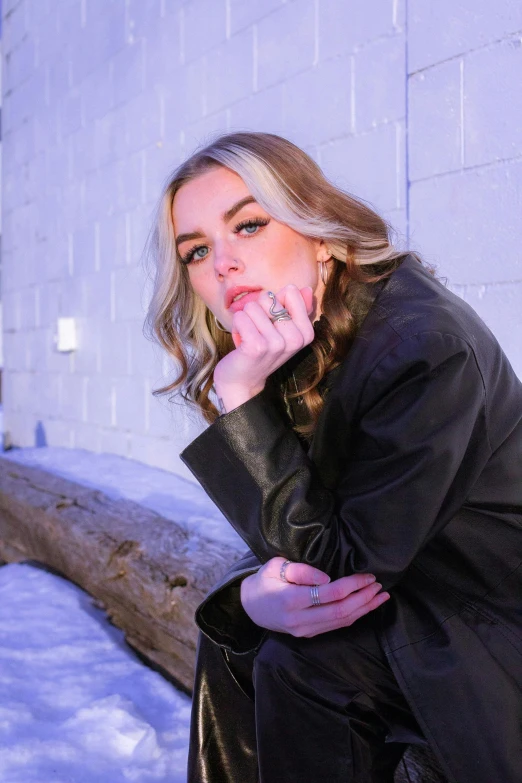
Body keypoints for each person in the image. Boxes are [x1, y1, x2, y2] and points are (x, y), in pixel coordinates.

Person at [143, 131, 522, 783]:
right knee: (236, 632)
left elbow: (341, 565)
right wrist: (251, 596)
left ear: (320, 231)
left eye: (249, 225)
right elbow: (306, 523)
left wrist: (240, 396)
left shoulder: (422, 345)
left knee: (302, 663)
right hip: (411, 591)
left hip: (483, 614)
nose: (222, 264)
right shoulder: (304, 332)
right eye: (197, 250)